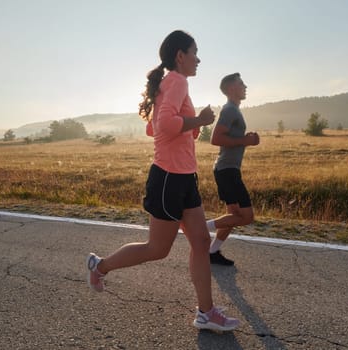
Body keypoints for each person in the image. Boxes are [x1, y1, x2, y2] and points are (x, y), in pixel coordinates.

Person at [86, 30, 240, 332]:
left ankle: (206, 313)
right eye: (195, 52)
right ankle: (99, 266)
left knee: (200, 241)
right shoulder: (177, 81)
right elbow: (164, 125)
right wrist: (199, 122)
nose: (199, 58)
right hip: (169, 179)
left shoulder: (170, 84)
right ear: (180, 56)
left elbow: (153, 128)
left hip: (183, 178)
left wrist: (189, 128)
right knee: (157, 249)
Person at [206, 73, 260, 266]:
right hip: (227, 170)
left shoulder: (234, 110)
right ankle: (202, 229)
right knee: (246, 217)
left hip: (227, 169)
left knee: (232, 216)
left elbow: (230, 139)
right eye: (241, 83)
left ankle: (211, 252)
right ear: (231, 89)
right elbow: (216, 139)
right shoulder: (229, 110)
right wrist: (244, 141)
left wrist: (247, 140)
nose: (245, 86)